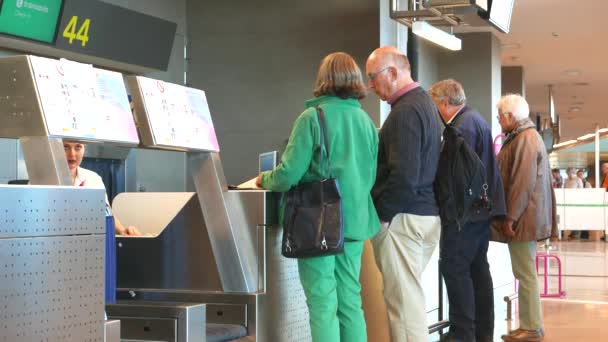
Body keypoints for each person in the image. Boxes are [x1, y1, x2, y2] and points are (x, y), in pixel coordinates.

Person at [255, 52, 380, 342]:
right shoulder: (365, 121)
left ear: (323, 79)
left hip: (319, 221)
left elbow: (288, 174)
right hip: (356, 222)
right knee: (350, 301)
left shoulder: (312, 117)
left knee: (323, 304)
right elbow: (371, 175)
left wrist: (266, 179)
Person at [365, 46, 442, 342]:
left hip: (403, 220)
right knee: (408, 301)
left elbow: (405, 176)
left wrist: (383, 216)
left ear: (393, 72)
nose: (371, 86)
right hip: (423, 215)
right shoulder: (425, 105)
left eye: (374, 78)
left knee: (405, 310)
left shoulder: (405, 113)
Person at [429, 79, 506, 342]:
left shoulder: (459, 129)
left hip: (463, 217)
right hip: (480, 214)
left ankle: (462, 334)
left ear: (444, 103)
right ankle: (481, 332)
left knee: (456, 270)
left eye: (435, 105)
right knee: (478, 271)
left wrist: (448, 210)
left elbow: (455, 179)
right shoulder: (478, 121)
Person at [493, 94, 554, 342]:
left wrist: (511, 217)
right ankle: (529, 324)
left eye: (500, 116)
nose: (498, 120)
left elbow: (522, 182)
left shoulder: (525, 139)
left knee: (525, 272)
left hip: (523, 219)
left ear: (510, 116)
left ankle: (532, 327)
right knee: (524, 271)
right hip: (525, 217)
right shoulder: (523, 137)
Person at [64, 141, 142, 236]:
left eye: (78, 147)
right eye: (65, 147)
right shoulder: (45, 179)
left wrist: (122, 230)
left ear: (84, 149)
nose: (72, 154)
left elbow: (105, 212)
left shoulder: (93, 178)